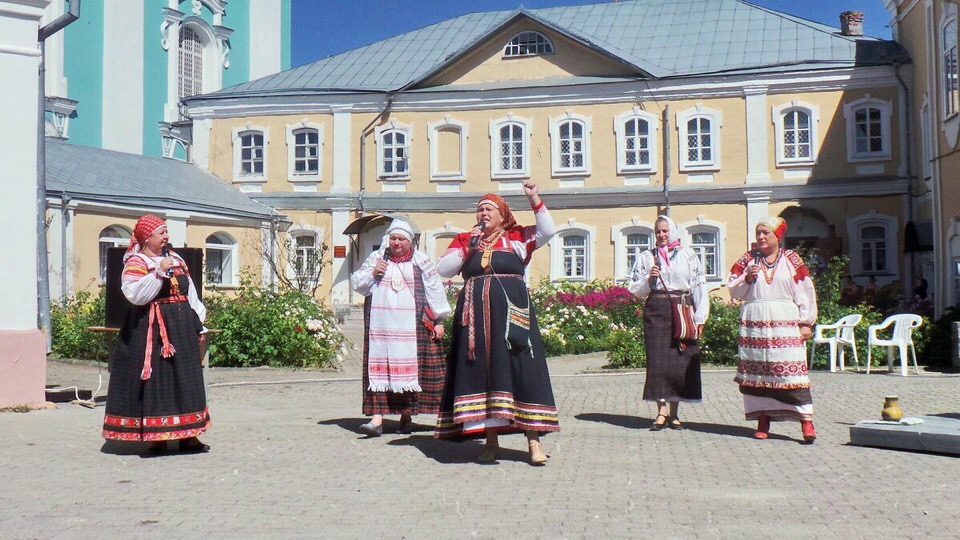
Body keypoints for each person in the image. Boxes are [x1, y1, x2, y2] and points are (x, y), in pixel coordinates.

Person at [434, 182, 558, 465]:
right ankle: (490, 441)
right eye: (480, 210)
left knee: (523, 370)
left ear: (503, 216)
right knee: (484, 373)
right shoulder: (466, 239)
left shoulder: (516, 237)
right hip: (475, 320)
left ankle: (534, 441)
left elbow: (548, 231)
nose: (483, 214)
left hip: (513, 317)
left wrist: (534, 198)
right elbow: (444, 269)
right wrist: (468, 247)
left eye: (489, 209)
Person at [102, 215, 210, 453]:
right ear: (147, 237)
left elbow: (190, 292)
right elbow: (135, 296)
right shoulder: (136, 262)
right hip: (151, 328)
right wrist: (158, 273)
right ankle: (158, 437)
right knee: (158, 380)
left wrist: (199, 323)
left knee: (186, 378)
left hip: (181, 325)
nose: (166, 237)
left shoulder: (176, 259)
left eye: (166, 232)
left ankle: (189, 436)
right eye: (161, 233)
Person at [350, 219, 451, 437]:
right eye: (393, 238)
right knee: (380, 371)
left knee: (412, 371)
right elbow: (358, 284)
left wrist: (440, 320)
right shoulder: (377, 258)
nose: (396, 243)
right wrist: (373, 273)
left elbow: (435, 289)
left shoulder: (421, 260)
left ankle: (406, 417)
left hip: (413, 327)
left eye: (401, 239)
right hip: (381, 328)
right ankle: (377, 420)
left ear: (410, 241)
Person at [727, 217, 818, 443]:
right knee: (759, 373)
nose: (760, 237)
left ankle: (806, 421)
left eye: (765, 233)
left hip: (784, 322)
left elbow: (805, 289)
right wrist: (748, 277)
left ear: (778, 235)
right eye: (758, 233)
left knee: (790, 373)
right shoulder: (747, 259)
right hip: (755, 323)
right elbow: (734, 290)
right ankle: (763, 419)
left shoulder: (791, 259)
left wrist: (806, 323)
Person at [628, 215, 709, 430]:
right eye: (658, 232)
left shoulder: (688, 255)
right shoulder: (647, 257)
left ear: (673, 231)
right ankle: (661, 412)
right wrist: (649, 278)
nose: (661, 235)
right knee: (658, 362)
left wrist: (700, 317)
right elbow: (635, 290)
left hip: (682, 308)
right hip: (657, 310)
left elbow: (699, 285)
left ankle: (674, 413)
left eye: (665, 231)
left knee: (680, 360)